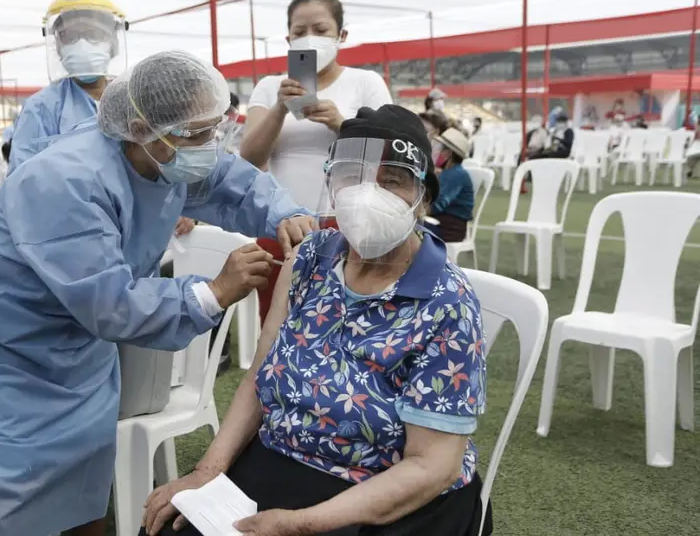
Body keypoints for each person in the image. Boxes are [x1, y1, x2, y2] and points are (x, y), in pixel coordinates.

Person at [0, 50, 315, 536]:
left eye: (215, 128)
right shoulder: (66, 180)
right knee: (15, 461)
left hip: (79, 321)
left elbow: (226, 181)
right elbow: (111, 305)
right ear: (142, 127)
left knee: (87, 441)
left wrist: (282, 212)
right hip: (8, 320)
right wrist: (213, 292)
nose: (211, 144)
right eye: (200, 133)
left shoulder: (161, 156)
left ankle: (83, 522)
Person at [142, 106, 490, 536]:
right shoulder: (310, 258)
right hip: (286, 456)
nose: (367, 196)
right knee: (171, 527)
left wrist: (299, 525)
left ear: (424, 200)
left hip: (386, 488)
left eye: (392, 180)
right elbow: (259, 374)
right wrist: (207, 470)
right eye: (352, 177)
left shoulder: (447, 301)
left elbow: (431, 466)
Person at [241, 0, 392, 324]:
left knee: (345, 321)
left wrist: (343, 124)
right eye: (299, 32)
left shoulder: (365, 83)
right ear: (288, 39)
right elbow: (250, 157)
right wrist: (280, 108)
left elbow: (387, 152)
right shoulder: (269, 87)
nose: (309, 38)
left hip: (349, 221)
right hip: (281, 222)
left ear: (341, 36)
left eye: (321, 30)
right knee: (276, 319)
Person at [9, 0, 128, 173]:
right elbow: (22, 180)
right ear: (58, 46)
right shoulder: (41, 108)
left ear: (113, 42)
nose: (81, 44)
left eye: (93, 34)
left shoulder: (130, 100)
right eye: (69, 36)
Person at [429, 128, 474, 243]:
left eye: (439, 149)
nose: (435, 151)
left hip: (449, 228)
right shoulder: (449, 172)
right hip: (443, 223)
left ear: (448, 153)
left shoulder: (456, 174)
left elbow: (437, 205)